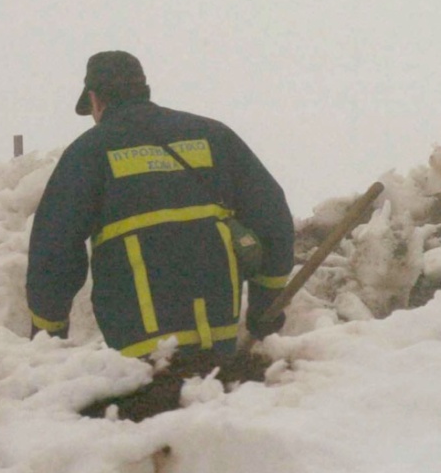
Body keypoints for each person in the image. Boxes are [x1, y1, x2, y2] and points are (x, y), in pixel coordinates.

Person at [26, 51, 294, 358]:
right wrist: (266, 305)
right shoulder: (214, 136)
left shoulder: (89, 152)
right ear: (143, 89)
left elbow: (54, 249)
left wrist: (48, 332)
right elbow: (273, 219)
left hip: (140, 350)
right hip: (219, 336)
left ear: (96, 100)